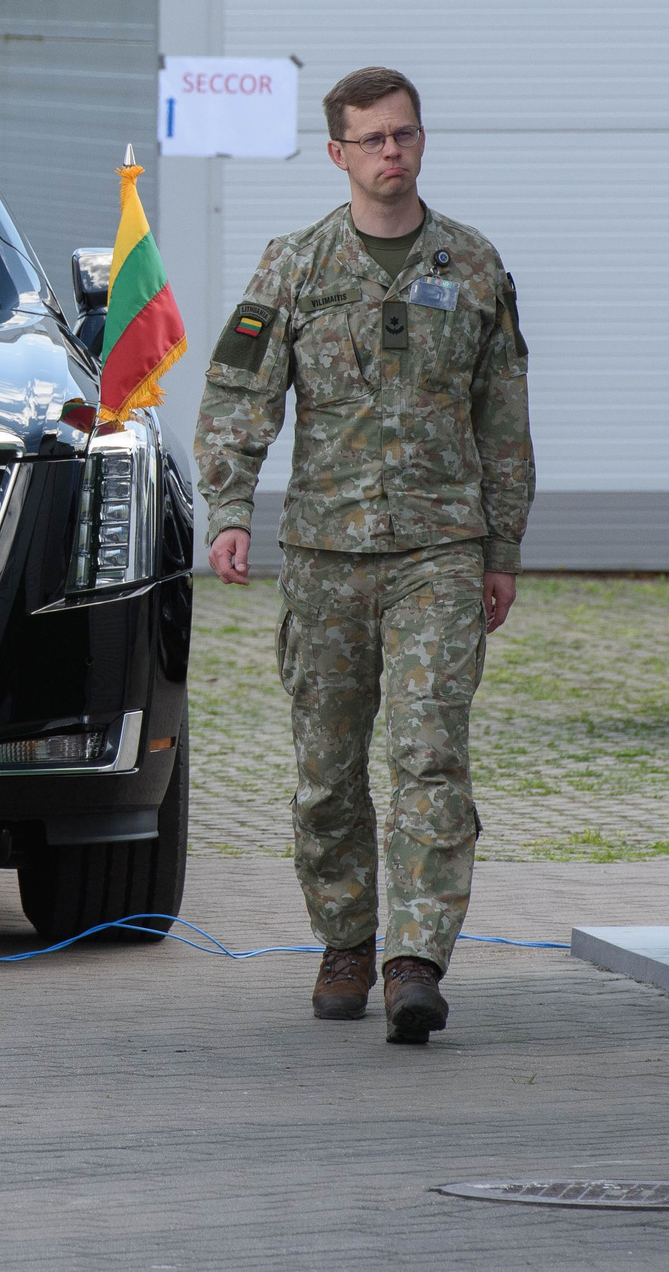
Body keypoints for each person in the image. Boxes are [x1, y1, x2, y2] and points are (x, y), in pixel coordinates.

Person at [192, 65, 533, 1046]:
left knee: (429, 750)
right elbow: (237, 396)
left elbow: (502, 416)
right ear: (338, 152)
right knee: (327, 768)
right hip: (325, 554)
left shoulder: (471, 266)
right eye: (374, 139)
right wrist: (228, 509)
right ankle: (345, 936)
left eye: (406, 135)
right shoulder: (293, 267)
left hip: (439, 549)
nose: (394, 153)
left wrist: (502, 544)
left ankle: (414, 959)